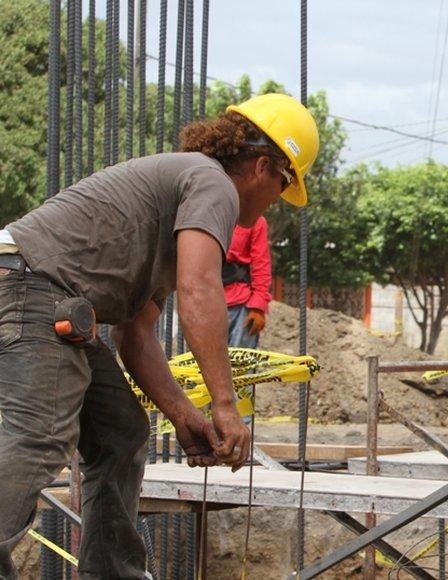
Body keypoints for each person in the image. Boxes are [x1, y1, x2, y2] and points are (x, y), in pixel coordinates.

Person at [0, 93, 319, 579]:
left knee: (120, 433)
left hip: (47, 294)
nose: (278, 197)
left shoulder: (184, 194)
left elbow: (137, 336)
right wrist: (224, 405)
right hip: (30, 285)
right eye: (284, 182)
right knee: (40, 436)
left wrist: (185, 415)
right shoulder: (214, 186)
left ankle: (113, 573)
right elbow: (200, 289)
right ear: (262, 166)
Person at [224, 216, 273, 348]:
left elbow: (261, 264)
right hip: (204, 302)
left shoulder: (255, 220)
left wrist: (258, 307)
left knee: (240, 366)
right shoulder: (205, 213)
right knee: (200, 365)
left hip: (240, 304)